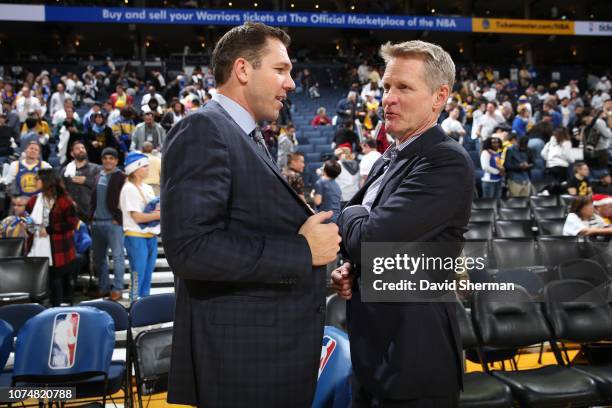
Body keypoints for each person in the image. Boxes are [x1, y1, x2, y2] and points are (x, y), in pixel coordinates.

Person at [161, 22, 340, 408]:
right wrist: (301, 251)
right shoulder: (204, 129)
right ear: (243, 70)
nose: (290, 83)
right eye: (281, 70)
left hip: (263, 356)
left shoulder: (243, 134)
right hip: (243, 364)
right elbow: (191, 248)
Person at [331, 40, 471, 408]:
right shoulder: (387, 160)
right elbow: (362, 247)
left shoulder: (445, 161)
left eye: (403, 88)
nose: (387, 98)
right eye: (386, 87)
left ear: (439, 97)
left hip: (413, 361)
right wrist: (353, 268)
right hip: (371, 354)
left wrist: (346, 212)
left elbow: (369, 238)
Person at [26, 168, 79, 306]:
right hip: (36, 246)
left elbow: (72, 223)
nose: (35, 181)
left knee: (55, 281)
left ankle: (57, 310)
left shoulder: (64, 201)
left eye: (37, 179)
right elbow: (28, 219)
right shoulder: (33, 201)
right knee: (37, 280)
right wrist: (28, 226)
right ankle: (38, 310)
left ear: (46, 181)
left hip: (58, 248)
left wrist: (50, 229)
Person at [119, 151, 160, 301]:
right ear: (135, 170)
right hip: (135, 236)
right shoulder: (129, 188)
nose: (148, 169)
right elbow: (137, 217)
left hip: (151, 236)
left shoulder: (147, 188)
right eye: (144, 167)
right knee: (138, 276)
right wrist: (159, 215)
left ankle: (146, 309)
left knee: (147, 277)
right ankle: (134, 307)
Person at [89, 147, 126, 301]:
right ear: (102, 160)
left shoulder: (121, 177)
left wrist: (119, 218)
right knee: (99, 258)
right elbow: (93, 198)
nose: (108, 161)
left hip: (113, 223)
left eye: (111, 158)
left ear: (116, 161)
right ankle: (104, 287)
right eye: (105, 158)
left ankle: (117, 289)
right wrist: (91, 217)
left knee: (117, 257)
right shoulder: (98, 176)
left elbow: (125, 200)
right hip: (97, 223)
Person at [61, 141, 101, 221]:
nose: (81, 150)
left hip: (90, 213)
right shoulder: (65, 171)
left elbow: (102, 187)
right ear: (72, 154)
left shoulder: (96, 169)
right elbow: (61, 189)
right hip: (71, 212)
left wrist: (86, 181)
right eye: (77, 148)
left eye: (83, 148)